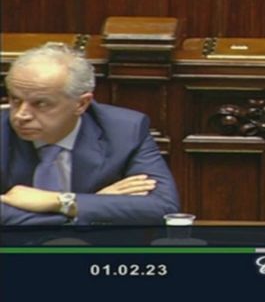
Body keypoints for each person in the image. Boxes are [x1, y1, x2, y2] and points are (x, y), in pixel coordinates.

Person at [1, 43, 179, 225]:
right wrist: (89, 207)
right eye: (16, 100)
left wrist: (61, 201)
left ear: (81, 104)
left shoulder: (124, 130)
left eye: (41, 104)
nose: (21, 115)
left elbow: (162, 207)